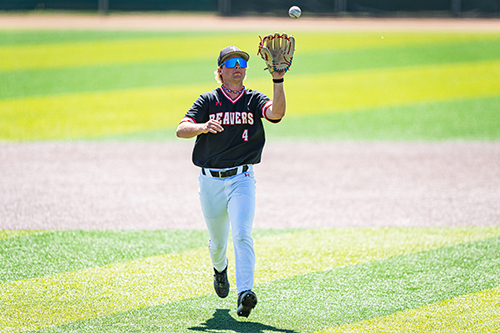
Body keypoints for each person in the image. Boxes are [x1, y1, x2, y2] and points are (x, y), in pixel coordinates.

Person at [176, 45, 287, 318]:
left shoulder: (252, 99)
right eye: (232, 62)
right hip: (210, 181)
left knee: (242, 233)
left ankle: (245, 292)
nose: (238, 67)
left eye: (242, 63)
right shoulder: (208, 100)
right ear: (221, 71)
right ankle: (220, 269)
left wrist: (278, 79)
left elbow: (276, 113)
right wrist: (201, 127)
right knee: (217, 243)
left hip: (242, 178)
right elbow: (181, 129)